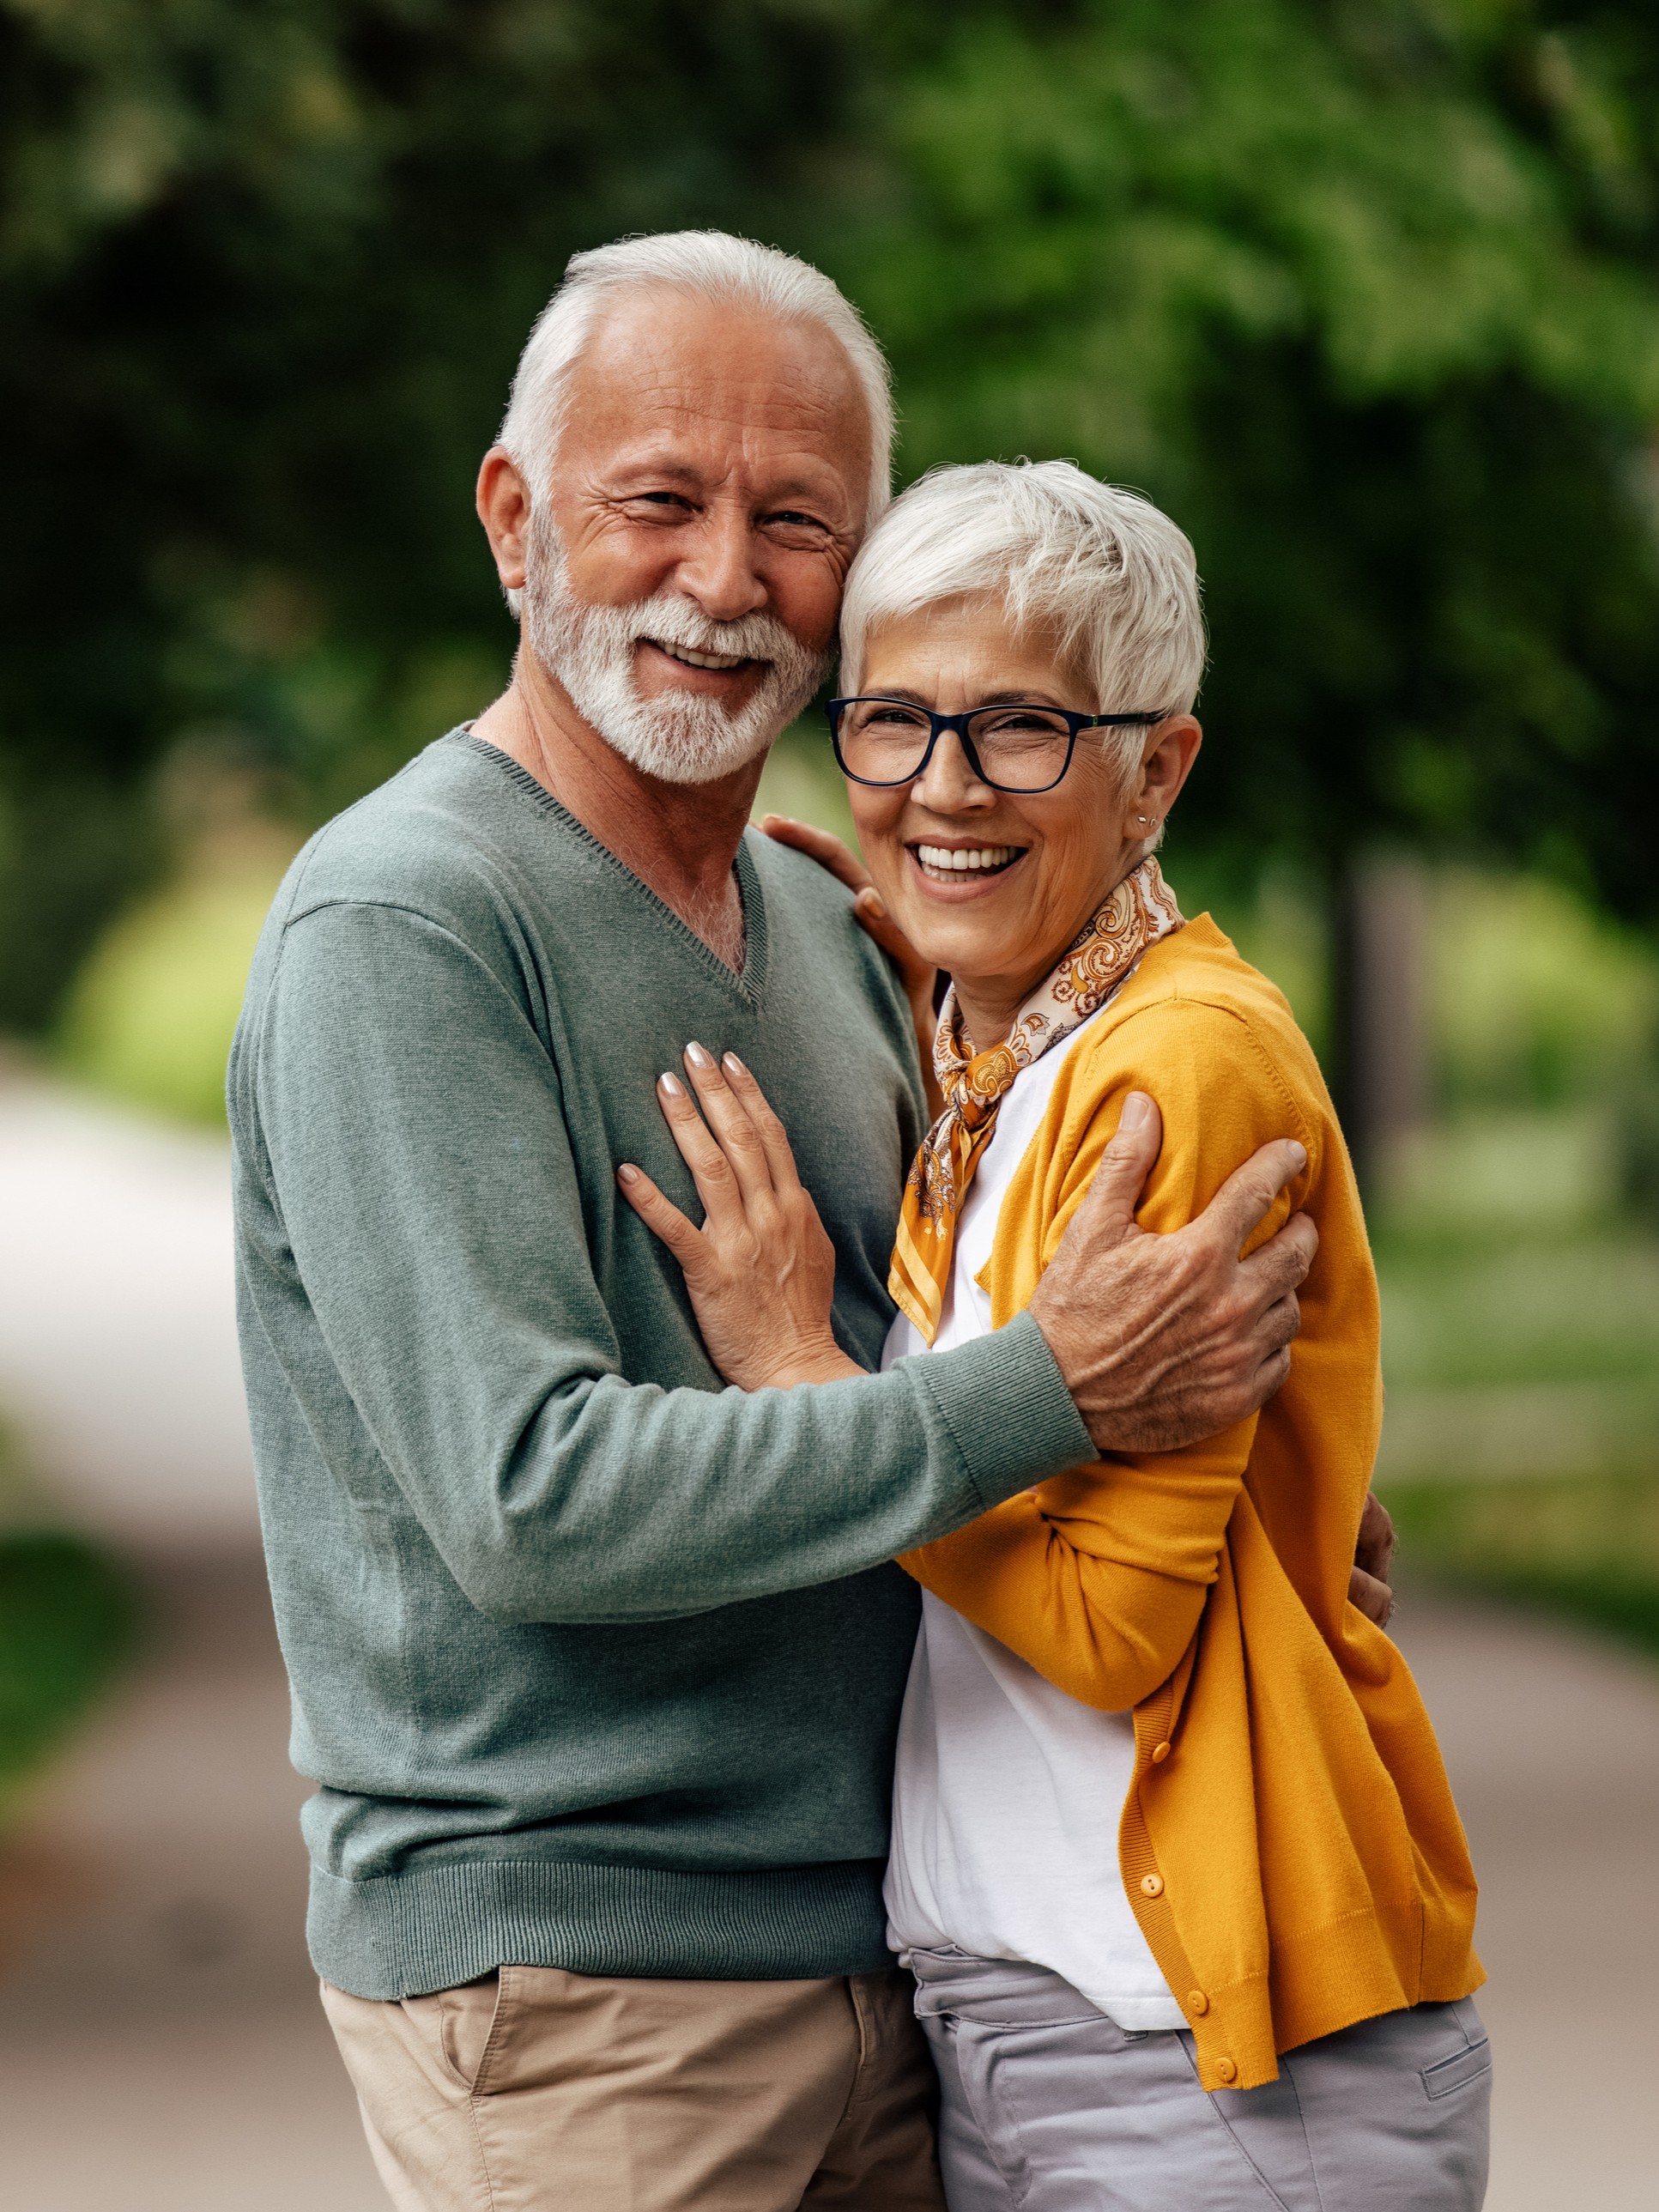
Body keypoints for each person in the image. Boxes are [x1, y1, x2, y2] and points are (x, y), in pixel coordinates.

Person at [229, 233, 1384, 2212]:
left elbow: (928, 1365)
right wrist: (1059, 1391)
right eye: (657, 500)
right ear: (516, 519)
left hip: (893, 1963)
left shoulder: (836, 929)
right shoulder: (408, 926)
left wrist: (1248, 1480)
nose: (724, 578)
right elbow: (534, 1497)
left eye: (795, 523)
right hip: (588, 1992)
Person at [621, 460, 1486, 2210]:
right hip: (1024, 2022)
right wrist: (906, 979)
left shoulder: (1180, 1064)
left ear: (1157, 764)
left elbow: (1107, 1624)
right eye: (891, 723)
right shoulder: (1017, 1052)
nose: (942, 787)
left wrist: (807, 1381)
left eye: (1020, 729)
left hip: (1212, 2055)